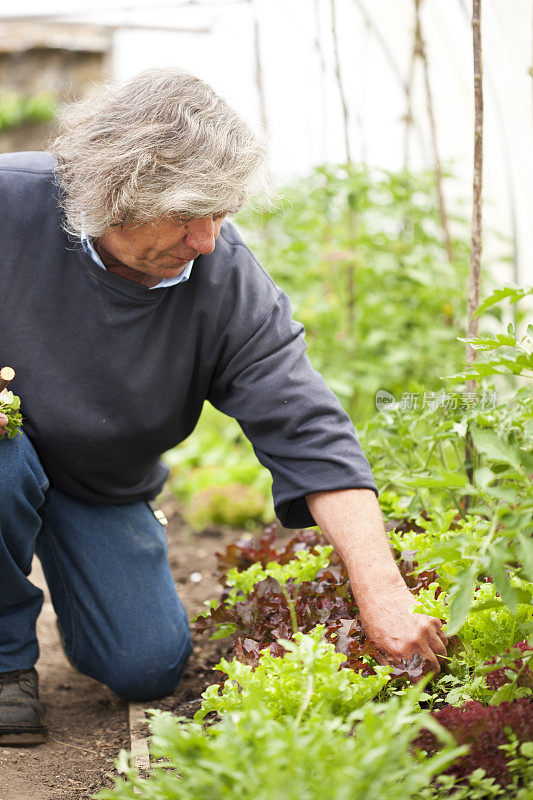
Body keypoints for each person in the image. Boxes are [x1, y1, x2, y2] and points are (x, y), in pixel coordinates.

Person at [0, 68, 447, 745]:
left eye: (220, 214)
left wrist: (382, 592)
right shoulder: (13, 205)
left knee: (146, 665)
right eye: (187, 216)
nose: (207, 240)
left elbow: (307, 425)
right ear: (115, 193)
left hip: (100, 482)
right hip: (9, 456)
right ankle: (5, 665)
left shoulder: (221, 279)